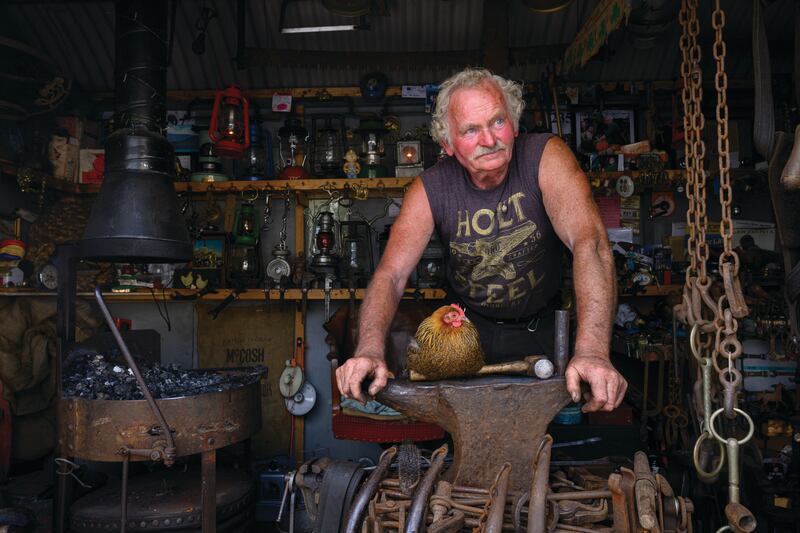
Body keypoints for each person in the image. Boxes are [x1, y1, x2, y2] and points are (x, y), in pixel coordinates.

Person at [335, 67, 627, 413]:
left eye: (498, 122)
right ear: (448, 144)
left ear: (515, 124)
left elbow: (589, 243)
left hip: (544, 328)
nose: (489, 140)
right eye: (471, 130)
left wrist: (592, 352)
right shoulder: (431, 188)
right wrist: (368, 350)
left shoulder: (545, 157)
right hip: (465, 336)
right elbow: (391, 275)